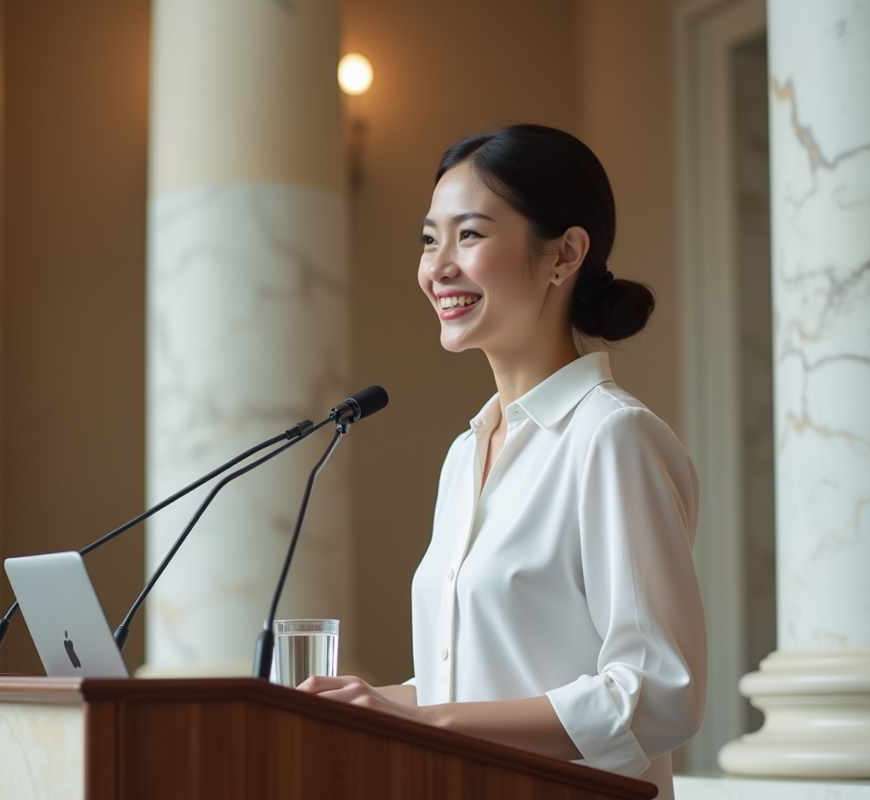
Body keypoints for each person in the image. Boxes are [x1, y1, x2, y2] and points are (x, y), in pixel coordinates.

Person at [297, 124, 706, 798]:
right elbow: (490, 680)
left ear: (565, 253)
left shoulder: (613, 437)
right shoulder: (466, 454)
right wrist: (384, 701)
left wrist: (433, 721)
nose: (438, 267)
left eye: (471, 234)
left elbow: (658, 692)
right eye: (430, 239)